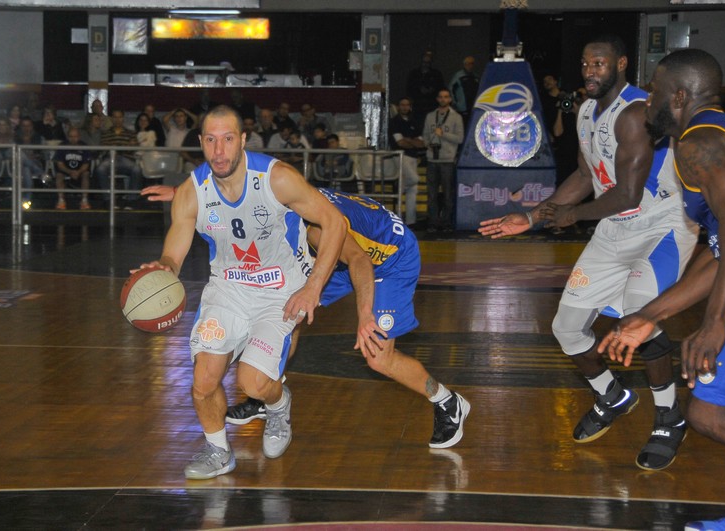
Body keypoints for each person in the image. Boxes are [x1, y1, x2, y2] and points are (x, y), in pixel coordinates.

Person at [478, 34, 700, 472]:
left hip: (661, 225)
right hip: (615, 227)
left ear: (621, 64)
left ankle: (669, 417)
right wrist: (533, 217)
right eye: (584, 63)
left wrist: (571, 216)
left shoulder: (635, 112)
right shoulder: (584, 111)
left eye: (599, 63)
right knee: (567, 328)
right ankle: (612, 395)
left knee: (639, 316)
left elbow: (629, 193)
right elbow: (585, 175)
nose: (590, 71)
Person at [140, 184, 472, 450]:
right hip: (344, 253)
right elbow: (235, 194)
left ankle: (447, 401)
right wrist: (185, 195)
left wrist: (364, 315)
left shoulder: (314, 228)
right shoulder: (277, 200)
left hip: (389, 260)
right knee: (291, 307)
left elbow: (360, 262)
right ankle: (268, 389)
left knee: (378, 358)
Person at [598, 48, 725, 530]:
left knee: (712, 413)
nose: (647, 101)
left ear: (678, 96)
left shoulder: (698, 142)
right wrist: (650, 315)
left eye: (653, 90)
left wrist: (714, 323)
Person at [135, 104, 347, 480]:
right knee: (203, 381)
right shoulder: (192, 192)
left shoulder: (277, 178)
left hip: (281, 292)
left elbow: (334, 222)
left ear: (243, 140)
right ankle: (219, 451)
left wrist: (313, 287)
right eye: (211, 140)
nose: (219, 151)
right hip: (229, 288)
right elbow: (174, 253)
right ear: (200, 142)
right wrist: (164, 268)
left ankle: (278, 405)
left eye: (228, 139)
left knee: (252, 383)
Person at [422, 89, 463, 232]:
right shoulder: (430, 116)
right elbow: (425, 134)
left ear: (450, 99)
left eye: (446, 97)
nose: (443, 99)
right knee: (431, 194)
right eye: (440, 97)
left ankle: (446, 223)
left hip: (447, 159)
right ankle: (433, 222)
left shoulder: (456, 117)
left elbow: (460, 138)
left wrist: (443, 134)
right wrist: (427, 143)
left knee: (448, 194)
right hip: (432, 159)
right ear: (437, 99)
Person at [389, 97, 426, 226]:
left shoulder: (415, 121)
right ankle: (399, 190)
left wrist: (408, 140)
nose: (404, 107)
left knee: (413, 190)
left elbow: (421, 143)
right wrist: (412, 141)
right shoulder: (394, 122)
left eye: (407, 105)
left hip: (413, 157)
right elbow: (400, 143)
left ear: (410, 106)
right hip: (400, 156)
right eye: (402, 105)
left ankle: (410, 221)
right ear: (398, 106)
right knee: (414, 179)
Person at [95, 109, 142, 203]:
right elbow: (104, 146)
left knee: (137, 169)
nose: (117, 120)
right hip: (110, 158)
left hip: (126, 159)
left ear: (123, 118)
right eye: (115, 117)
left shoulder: (131, 133)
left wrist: (115, 146)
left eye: (119, 117)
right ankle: (108, 197)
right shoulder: (106, 133)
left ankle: (132, 198)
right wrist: (124, 146)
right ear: (112, 119)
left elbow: (133, 147)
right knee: (100, 169)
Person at [53, 126, 91, 210]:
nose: (73, 139)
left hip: (80, 169)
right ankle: (61, 200)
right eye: (71, 136)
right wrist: (69, 171)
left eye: (75, 136)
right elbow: (59, 164)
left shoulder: (84, 146)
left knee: (86, 174)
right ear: (67, 136)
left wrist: (78, 172)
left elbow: (86, 164)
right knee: (59, 175)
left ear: (79, 136)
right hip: (65, 169)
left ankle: (84, 200)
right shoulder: (62, 146)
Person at [406, 50, 445, 129]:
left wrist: (432, 90)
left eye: (428, 63)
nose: (426, 64)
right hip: (418, 105)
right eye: (424, 62)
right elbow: (409, 89)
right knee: (418, 127)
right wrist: (418, 90)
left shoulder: (436, 74)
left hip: (432, 105)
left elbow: (441, 88)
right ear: (421, 62)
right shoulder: (414, 74)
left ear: (431, 63)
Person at [449, 56, 480, 130]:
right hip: (462, 108)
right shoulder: (459, 76)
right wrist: (455, 103)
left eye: (472, 64)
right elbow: (451, 89)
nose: (470, 66)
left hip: (473, 108)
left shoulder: (476, 77)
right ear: (464, 64)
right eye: (469, 64)